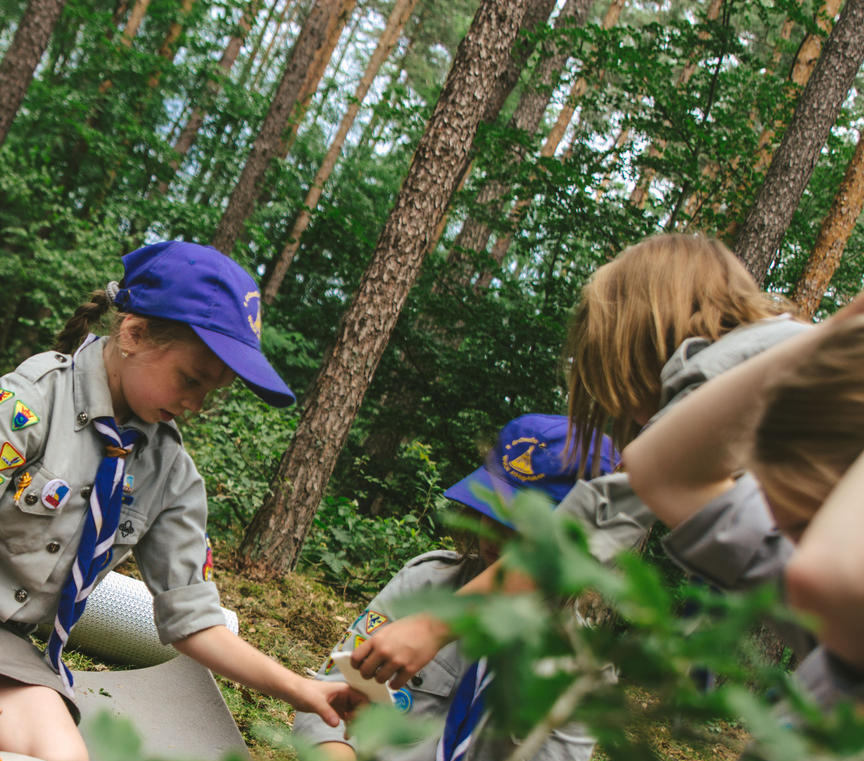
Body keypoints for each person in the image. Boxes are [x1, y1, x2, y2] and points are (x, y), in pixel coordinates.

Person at [0, 241, 364, 761]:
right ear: (135, 333)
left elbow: (192, 620)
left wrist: (302, 690)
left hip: (9, 643)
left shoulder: (171, 473)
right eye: (191, 379)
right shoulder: (31, 400)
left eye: (213, 393)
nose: (196, 404)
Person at [346, 234, 809, 693]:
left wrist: (432, 625)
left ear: (639, 336)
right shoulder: (788, 364)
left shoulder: (718, 376)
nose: (630, 416)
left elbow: (583, 532)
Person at [281, 415, 612, 761]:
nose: (494, 545)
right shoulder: (424, 587)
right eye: (491, 517)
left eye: (523, 534)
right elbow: (324, 713)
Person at [616, 305, 864, 761]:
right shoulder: (832, 636)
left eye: (807, 525)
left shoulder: (832, 592)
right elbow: (667, 468)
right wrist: (844, 326)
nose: (785, 546)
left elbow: (831, 577)